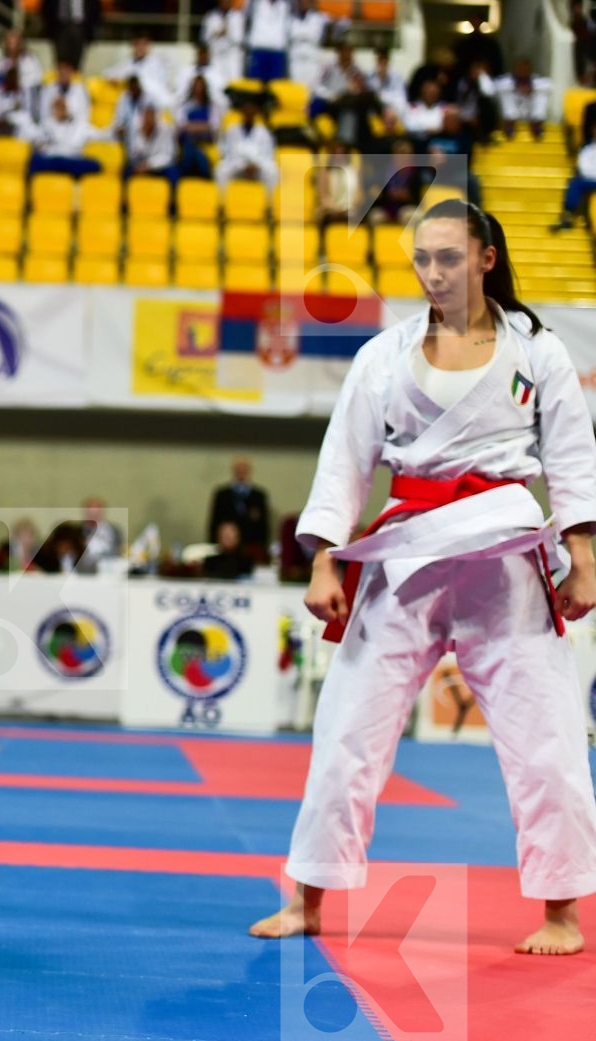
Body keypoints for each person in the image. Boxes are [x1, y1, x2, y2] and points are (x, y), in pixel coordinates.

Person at [250, 200, 596, 956]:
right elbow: (344, 463)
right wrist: (324, 559)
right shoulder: (384, 354)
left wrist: (584, 557)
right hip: (405, 553)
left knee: (546, 738)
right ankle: (308, 898)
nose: (432, 273)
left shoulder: (536, 350)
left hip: (504, 555)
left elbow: (573, 458)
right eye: (422, 259)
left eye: (448, 257)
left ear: (486, 260)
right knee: (347, 728)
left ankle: (562, 914)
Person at [209, 457, 271, 557]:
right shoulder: (222, 495)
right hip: (225, 549)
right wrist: (214, 544)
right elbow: (215, 522)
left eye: (244, 468)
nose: (241, 471)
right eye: (238, 468)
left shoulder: (258, 496)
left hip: (251, 547)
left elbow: (264, 525)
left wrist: (262, 548)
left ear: (249, 471)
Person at [554, 132, 596, 232]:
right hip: (589, 179)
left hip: (591, 178)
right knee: (575, 183)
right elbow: (583, 166)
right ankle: (567, 216)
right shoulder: (587, 148)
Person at [42, 0, 99, 72]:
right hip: (59, 28)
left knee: (76, 60)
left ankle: (75, 75)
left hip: (81, 28)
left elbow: (95, 9)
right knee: (62, 59)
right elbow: (47, 8)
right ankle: (62, 76)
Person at [244, 0, 293, 83]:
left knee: (276, 85)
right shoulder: (255, 3)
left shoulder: (286, 4)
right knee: (254, 84)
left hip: (278, 50)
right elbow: (246, 16)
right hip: (258, 48)